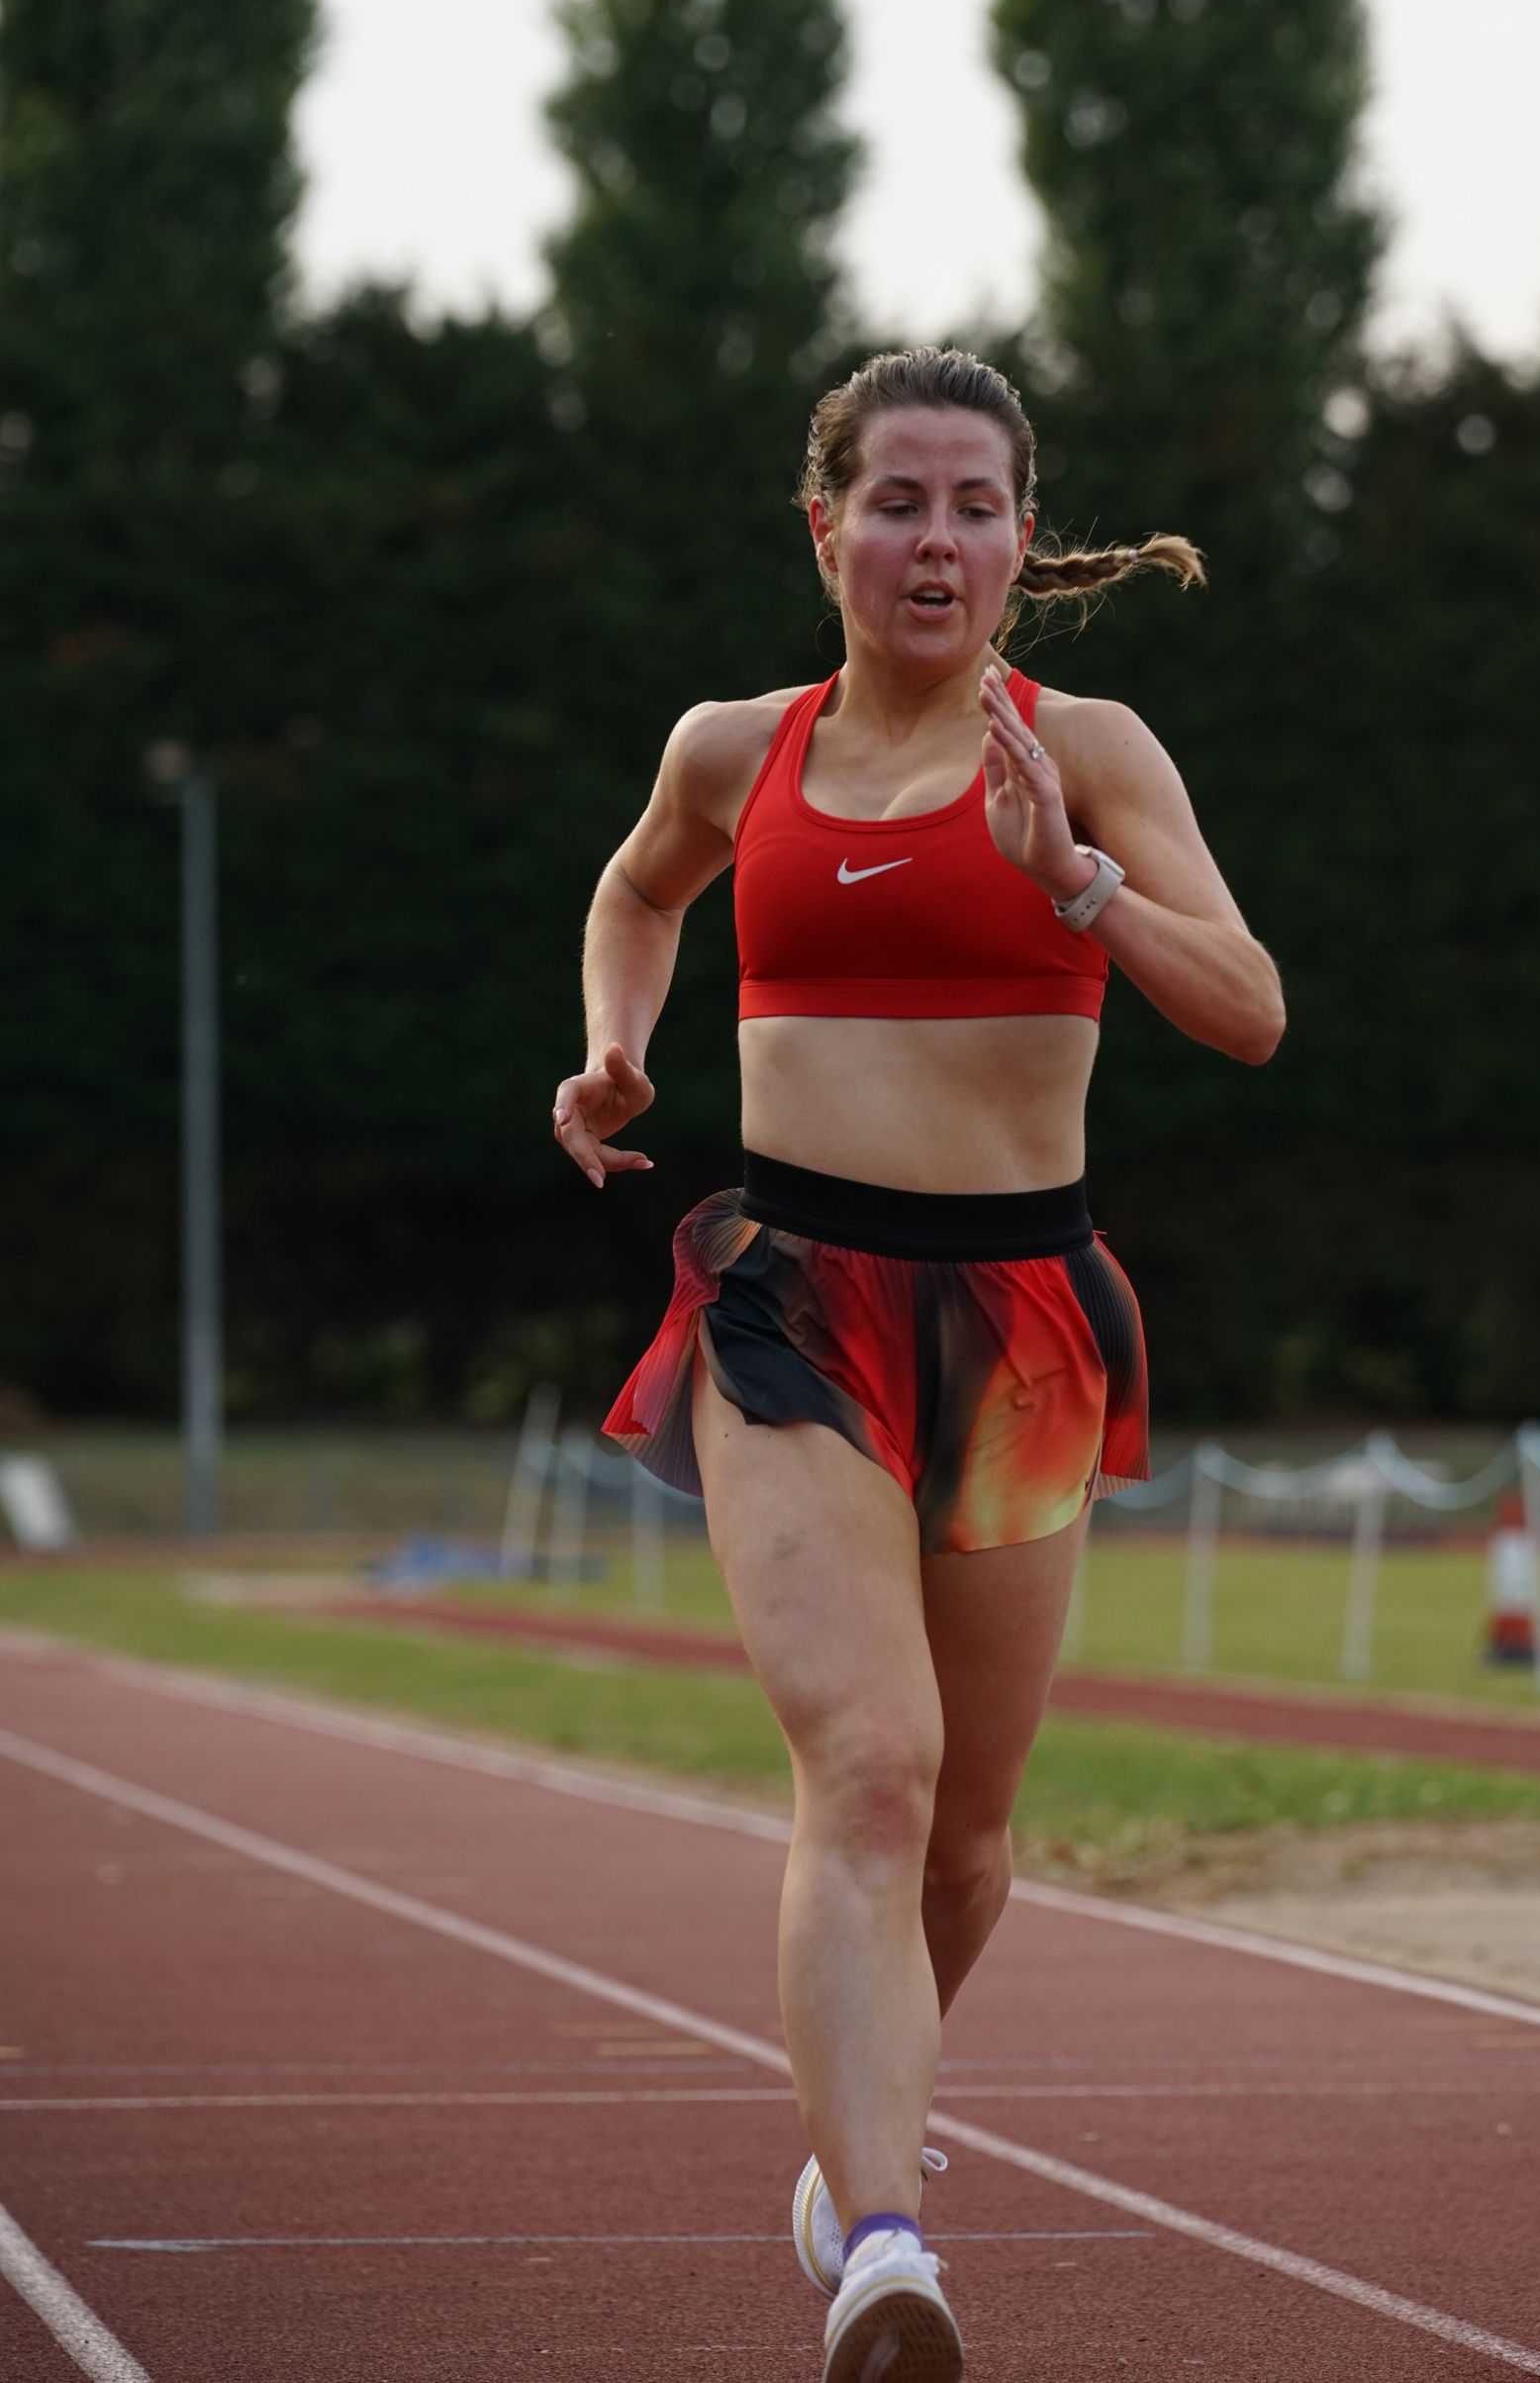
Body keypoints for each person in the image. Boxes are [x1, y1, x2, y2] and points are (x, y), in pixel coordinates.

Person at [551, 348, 1285, 2383]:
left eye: (975, 505)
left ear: (1025, 539)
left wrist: (1080, 883)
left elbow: (1250, 1010)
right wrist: (617, 1041)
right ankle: (886, 2252)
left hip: (1023, 1310)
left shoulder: (1092, 750)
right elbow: (637, 887)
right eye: (897, 501)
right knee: (869, 1763)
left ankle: (849, 2148)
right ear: (829, 531)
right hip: (791, 1294)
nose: (936, 540)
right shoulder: (735, 749)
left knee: (964, 1833)